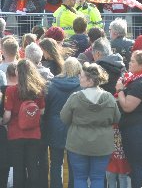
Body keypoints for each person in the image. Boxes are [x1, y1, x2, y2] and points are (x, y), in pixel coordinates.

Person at [60, 62, 120, 188]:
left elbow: (64, 118)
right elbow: (117, 118)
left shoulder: (75, 98)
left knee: (79, 178)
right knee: (98, 178)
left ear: (90, 80)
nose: (79, 78)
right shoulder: (109, 98)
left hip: (78, 143)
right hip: (102, 144)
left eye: (82, 76)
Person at [115, 47, 142, 188]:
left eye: (133, 61)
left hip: (138, 131)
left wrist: (120, 90)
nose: (129, 63)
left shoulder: (140, 84)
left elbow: (127, 106)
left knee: (137, 166)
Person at [2, 59, 47, 187]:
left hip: (15, 134)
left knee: (18, 168)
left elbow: (7, 115)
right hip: (34, 134)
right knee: (32, 167)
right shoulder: (38, 90)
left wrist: (3, 122)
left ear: (17, 72)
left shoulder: (11, 90)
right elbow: (42, 111)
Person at [45, 57, 81, 188]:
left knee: (55, 163)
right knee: (74, 165)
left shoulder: (51, 85)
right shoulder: (81, 87)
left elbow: (46, 109)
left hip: (55, 127)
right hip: (75, 128)